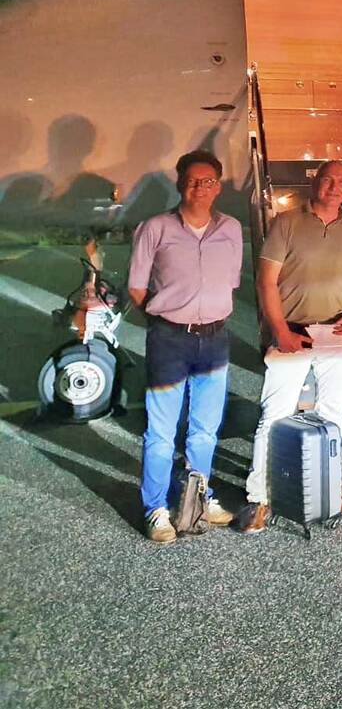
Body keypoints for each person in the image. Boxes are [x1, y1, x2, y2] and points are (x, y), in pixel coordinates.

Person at [237, 160, 342, 533]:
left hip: (337, 333)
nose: (335, 186)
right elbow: (266, 282)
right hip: (291, 332)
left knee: (332, 415)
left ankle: (328, 488)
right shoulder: (286, 223)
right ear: (316, 183)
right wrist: (279, 330)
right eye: (328, 179)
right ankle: (258, 498)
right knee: (274, 415)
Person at [128, 150, 243, 544]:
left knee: (205, 430)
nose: (200, 187)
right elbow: (137, 288)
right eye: (193, 180)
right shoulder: (155, 228)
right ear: (180, 184)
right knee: (161, 432)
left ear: (218, 187)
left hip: (215, 338)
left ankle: (198, 497)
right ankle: (156, 508)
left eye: (208, 181)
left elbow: (230, 283)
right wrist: (168, 318)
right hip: (170, 339)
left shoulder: (231, 229)